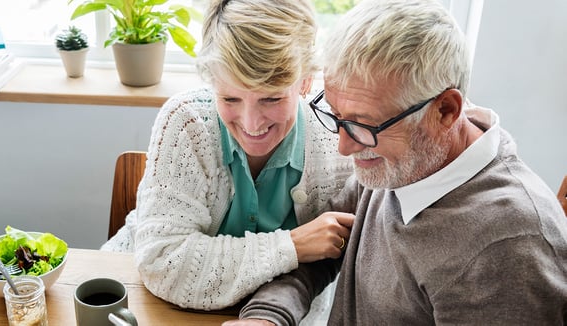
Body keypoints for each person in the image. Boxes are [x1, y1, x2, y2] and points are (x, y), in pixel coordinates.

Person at [226, 0, 567, 325]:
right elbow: (319, 254)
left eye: (362, 125)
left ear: (445, 110)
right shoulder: (399, 161)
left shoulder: (509, 249)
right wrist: (267, 316)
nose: (344, 147)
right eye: (337, 116)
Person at [101, 0, 355, 319]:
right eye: (230, 98)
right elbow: (162, 262)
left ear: (305, 81)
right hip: (145, 303)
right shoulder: (186, 122)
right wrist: (291, 246)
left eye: (271, 98)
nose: (251, 124)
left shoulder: (338, 140)